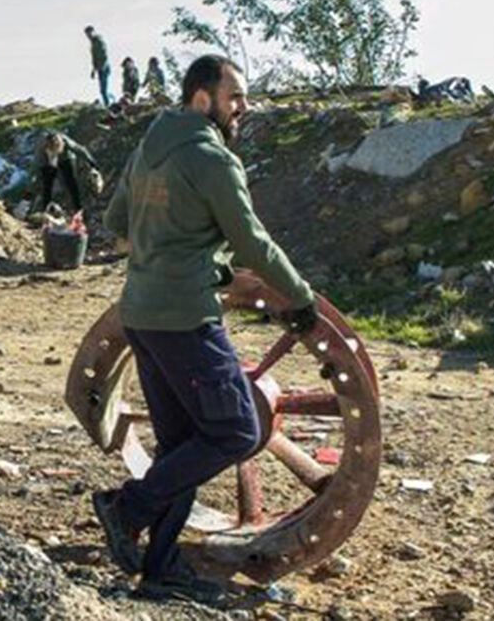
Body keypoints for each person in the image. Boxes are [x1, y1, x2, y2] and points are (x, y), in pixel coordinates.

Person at [94, 54, 317, 604]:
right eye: (234, 96)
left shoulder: (148, 148)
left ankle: (162, 566)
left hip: (140, 315)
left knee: (180, 447)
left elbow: (114, 223)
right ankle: (128, 508)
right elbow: (251, 241)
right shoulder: (211, 158)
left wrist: (169, 241)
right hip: (186, 318)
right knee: (236, 431)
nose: (242, 106)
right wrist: (300, 295)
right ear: (202, 98)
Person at [34, 131, 97, 213]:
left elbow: (80, 150)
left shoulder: (66, 141)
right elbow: (36, 167)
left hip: (66, 159)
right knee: (47, 183)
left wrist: (91, 162)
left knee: (71, 182)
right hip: (48, 160)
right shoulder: (41, 149)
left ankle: (78, 208)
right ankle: (46, 207)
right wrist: (34, 180)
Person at [85, 26, 111, 107]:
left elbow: (104, 55)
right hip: (99, 68)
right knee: (102, 90)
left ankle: (108, 104)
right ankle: (108, 102)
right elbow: (94, 58)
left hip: (104, 67)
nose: (88, 36)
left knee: (103, 90)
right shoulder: (93, 43)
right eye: (87, 34)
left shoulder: (99, 41)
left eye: (90, 33)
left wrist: (102, 66)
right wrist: (94, 70)